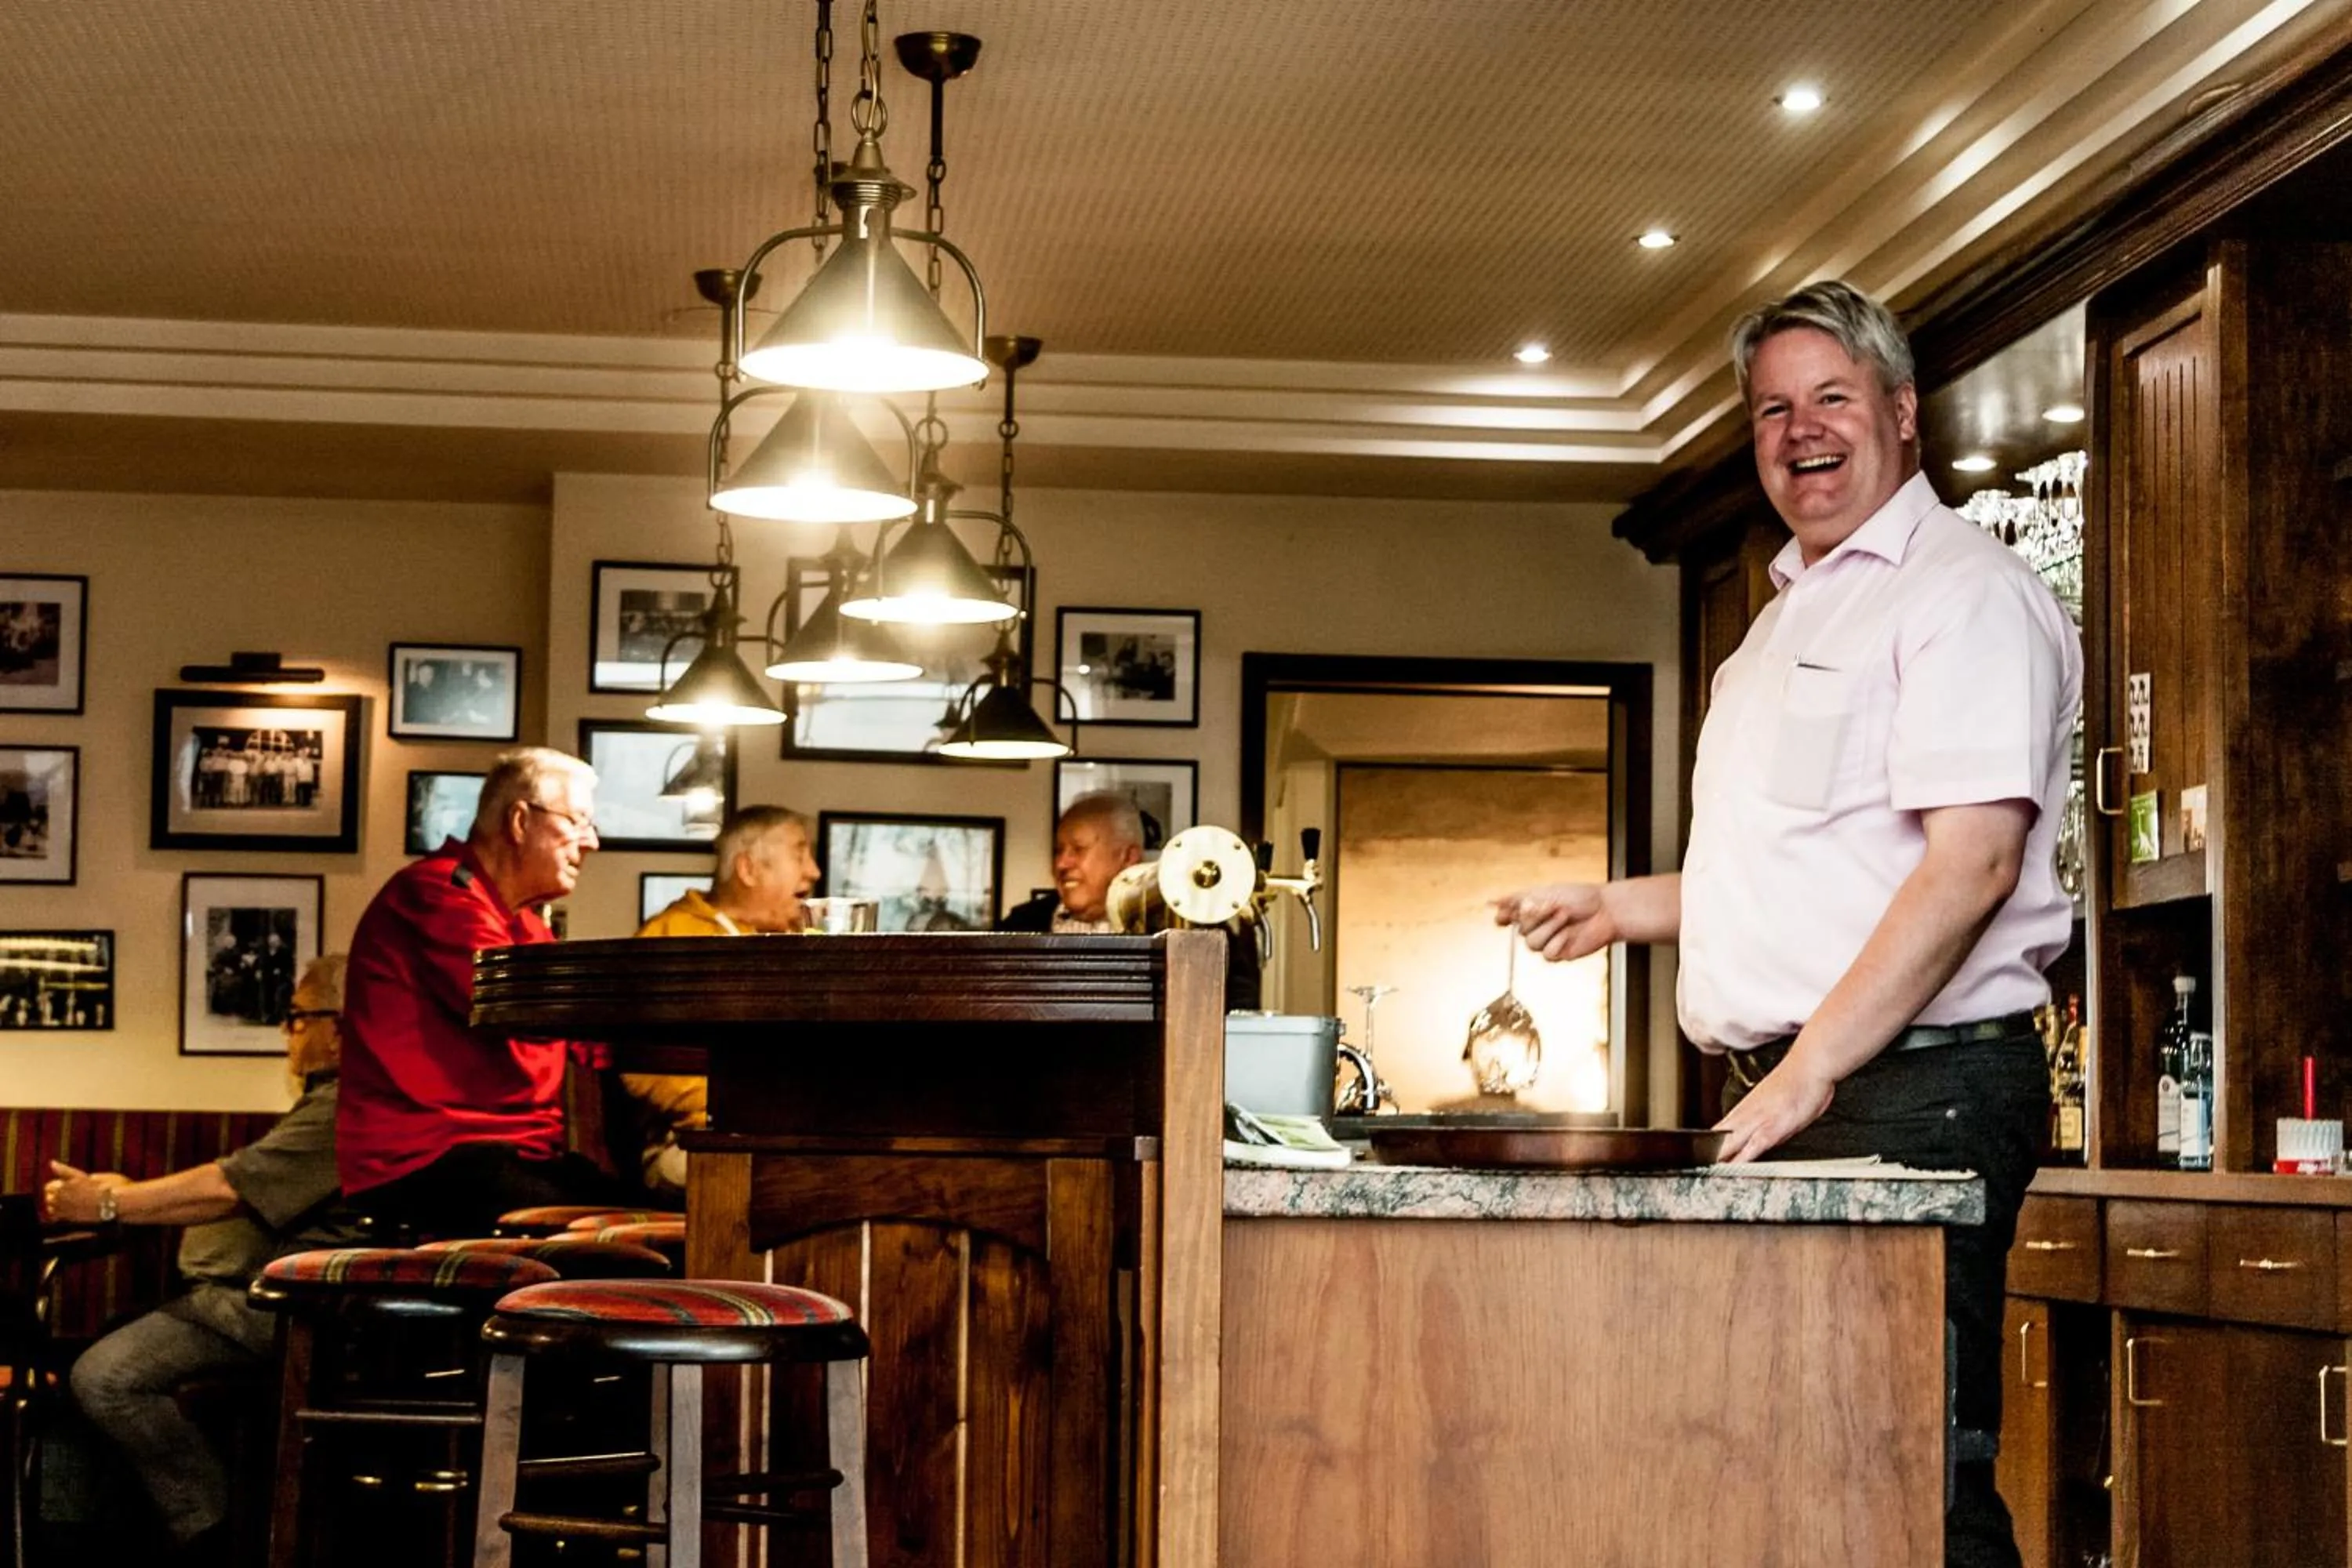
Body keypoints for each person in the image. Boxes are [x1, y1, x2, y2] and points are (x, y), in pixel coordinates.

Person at [1495, 280, 2078, 1568]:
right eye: (1772, 409)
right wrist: (1620, 907)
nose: (1800, 430)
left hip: (1909, 1096)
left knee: (1908, 1471)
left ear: (1901, 414)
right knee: (1799, 1466)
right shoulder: (1781, 625)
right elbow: (1810, 877)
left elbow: (1971, 864)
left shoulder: (1961, 591)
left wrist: (1810, 1070)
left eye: (1830, 398)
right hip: (1812, 1089)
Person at [46, 955, 364, 1567]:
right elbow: (243, 1187)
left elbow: (227, 1190)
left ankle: (210, 1539)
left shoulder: (345, 1106)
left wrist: (111, 1203)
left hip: (281, 1310)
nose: (288, 1035)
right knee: (89, 1355)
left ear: (340, 1027)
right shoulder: (337, 1101)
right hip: (261, 1301)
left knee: (103, 1377)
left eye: (296, 1019)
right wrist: (128, 1196)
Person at [336, 746, 617, 1236]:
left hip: (500, 1157)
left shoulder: (524, 923)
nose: (591, 842)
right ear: (519, 821)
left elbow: (584, 1033)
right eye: (577, 822)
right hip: (429, 1160)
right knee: (627, 1240)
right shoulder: (435, 894)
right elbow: (516, 1004)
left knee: (654, 1217)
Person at [626, 807, 822, 1194]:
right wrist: (768, 1104)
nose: (813, 872)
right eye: (799, 854)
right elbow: (644, 1069)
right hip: (692, 1146)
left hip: (775, 1140)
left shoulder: (779, 947)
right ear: (748, 869)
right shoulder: (672, 939)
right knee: (821, 1180)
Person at [1003, 793, 1261, 1007]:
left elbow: (1239, 1007)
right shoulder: (1019, 925)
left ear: (1128, 857)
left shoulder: (1191, 927)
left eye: (1078, 849)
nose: (1061, 863)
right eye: (1059, 850)